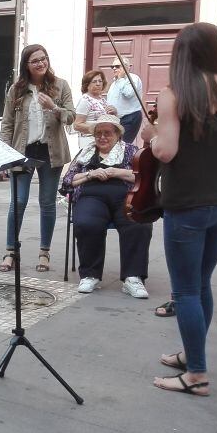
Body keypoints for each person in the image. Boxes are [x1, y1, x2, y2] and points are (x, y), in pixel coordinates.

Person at [140, 21, 217, 397]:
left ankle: (197, 375)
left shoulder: (175, 93)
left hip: (187, 203)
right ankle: (192, 356)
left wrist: (150, 134)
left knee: (185, 291)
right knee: (201, 283)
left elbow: (166, 151)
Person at [0, 44, 75, 274]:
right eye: (35, 61)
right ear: (26, 65)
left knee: (47, 203)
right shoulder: (16, 90)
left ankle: (44, 252)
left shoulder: (60, 85)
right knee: (18, 202)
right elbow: (7, 123)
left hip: (51, 152)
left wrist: (54, 107)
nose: (41, 63)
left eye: (44, 59)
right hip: (22, 152)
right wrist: (2, 154)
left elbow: (71, 117)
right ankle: (11, 251)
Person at [59, 115, 152, 297]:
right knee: (86, 223)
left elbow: (144, 177)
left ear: (118, 134)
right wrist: (90, 174)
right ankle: (90, 275)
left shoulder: (132, 151)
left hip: (125, 197)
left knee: (138, 223)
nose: (102, 137)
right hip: (91, 196)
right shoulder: (85, 153)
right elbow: (68, 181)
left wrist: (116, 172)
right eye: (98, 133)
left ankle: (133, 277)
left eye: (107, 133)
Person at [72, 70, 117, 151]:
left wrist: (114, 113)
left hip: (103, 141)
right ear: (87, 85)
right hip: (89, 141)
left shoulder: (102, 100)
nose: (98, 84)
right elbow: (77, 125)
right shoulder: (85, 100)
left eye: (100, 81)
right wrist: (98, 129)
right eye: (94, 81)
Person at [108, 56, 145, 144]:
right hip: (116, 119)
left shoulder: (133, 78)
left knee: (122, 145)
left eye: (117, 66)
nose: (114, 68)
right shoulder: (114, 82)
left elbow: (128, 93)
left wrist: (120, 79)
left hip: (129, 117)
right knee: (114, 146)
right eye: (112, 66)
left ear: (127, 67)